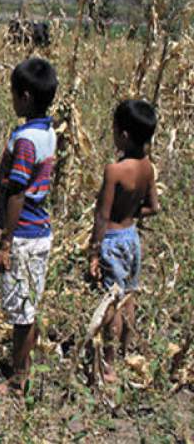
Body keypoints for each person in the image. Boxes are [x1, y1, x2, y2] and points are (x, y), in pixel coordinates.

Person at [0, 58, 58, 396]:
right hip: (40, 231)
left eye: (14, 94)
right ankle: (23, 371)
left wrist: (5, 242)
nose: (11, 99)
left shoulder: (27, 141)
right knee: (28, 308)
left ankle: (18, 380)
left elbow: (16, 191)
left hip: (24, 236)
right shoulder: (48, 132)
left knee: (21, 315)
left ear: (26, 97)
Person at [89, 100, 160, 383]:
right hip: (132, 239)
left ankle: (108, 363)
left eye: (115, 130)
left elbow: (102, 216)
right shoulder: (147, 168)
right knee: (129, 297)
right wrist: (131, 213)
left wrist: (94, 252)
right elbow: (154, 207)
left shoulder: (114, 171)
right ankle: (124, 350)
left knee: (112, 302)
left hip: (114, 241)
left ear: (125, 135)